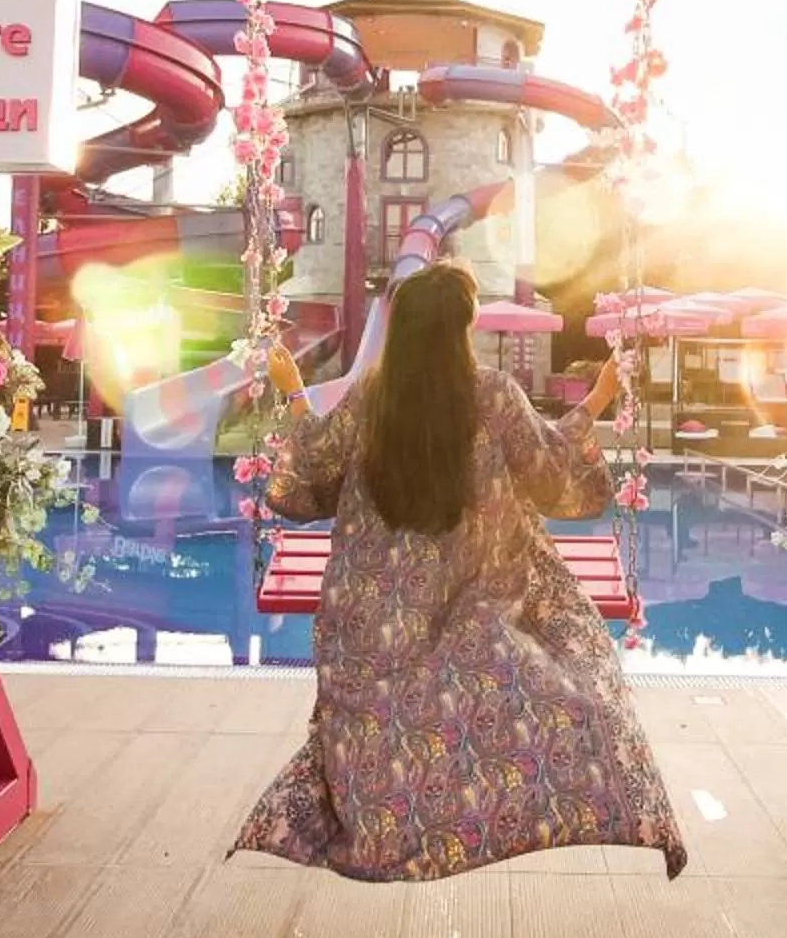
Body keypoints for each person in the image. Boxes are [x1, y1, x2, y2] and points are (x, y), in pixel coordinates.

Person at [229, 260, 687, 882]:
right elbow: (551, 474)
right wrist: (601, 399)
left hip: (375, 620)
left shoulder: (372, 395)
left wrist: (292, 392)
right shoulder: (492, 392)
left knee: (381, 726)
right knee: (571, 697)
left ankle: (383, 832)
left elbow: (313, 468)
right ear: (460, 329)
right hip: (476, 603)